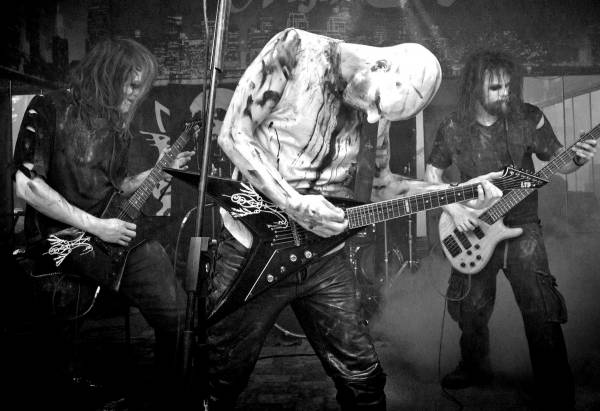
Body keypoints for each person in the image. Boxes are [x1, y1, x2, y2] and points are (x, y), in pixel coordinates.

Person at [206, 28, 502, 410]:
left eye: (382, 113)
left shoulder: (378, 110)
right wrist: (294, 203)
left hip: (324, 260)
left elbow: (381, 186)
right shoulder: (293, 51)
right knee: (221, 378)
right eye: (377, 102)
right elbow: (233, 134)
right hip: (252, 249)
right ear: (381, 65)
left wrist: (453, 194)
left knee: (364, 380)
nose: (374, 115)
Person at [12, 38, 194, 408]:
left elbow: (117, 185)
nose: (137, 95)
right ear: (108, 74)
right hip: (59, 238)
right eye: (132, 84)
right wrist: (96, 227)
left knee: (177, 313)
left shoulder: (115, 124)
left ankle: (167, 395)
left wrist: (158, 172)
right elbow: (28, 185)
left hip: (107, 232)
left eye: (142, 87)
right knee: (50, 343)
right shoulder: (49, 106)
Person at [425, 50, 597, 409]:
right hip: (473, 226)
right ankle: (474, 367)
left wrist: (578, 157)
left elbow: (558, 162)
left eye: (508, 85)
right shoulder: (454, 127)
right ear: (475, 88)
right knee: (471, 307)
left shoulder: (528, 118)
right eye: (496, 87)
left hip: (523, 227)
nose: (505, 92)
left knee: (540, 307)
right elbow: (432, 176)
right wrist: (454, 210)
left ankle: (555, 386)